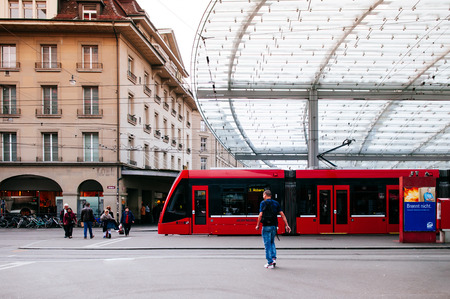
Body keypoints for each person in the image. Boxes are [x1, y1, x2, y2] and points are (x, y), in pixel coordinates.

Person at [255, 190, 291, 269]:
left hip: (266, 226)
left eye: (263, 195)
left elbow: (260, 215)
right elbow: (282, 214)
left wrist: (257, 225)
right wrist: (287, 225)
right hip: (274, 226)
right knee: (272, 242)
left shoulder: (263, 203)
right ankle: (273, 259)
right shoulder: (276, 203)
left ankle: (270, 262)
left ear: (265, 195)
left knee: (267, 244)